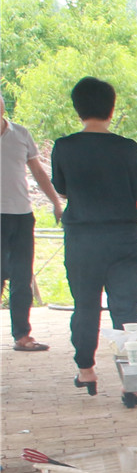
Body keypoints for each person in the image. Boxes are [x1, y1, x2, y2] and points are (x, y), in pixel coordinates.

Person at [49, 77, 137, 395]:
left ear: (77, 109)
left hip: (83, 239)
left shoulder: (63, 147)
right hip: (123, 236)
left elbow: (62, 188)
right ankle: (131, 380)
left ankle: (87, 371)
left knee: (85, 306)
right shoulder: (127, 147)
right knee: (126, 308)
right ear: (111, 108)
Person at [1, 91, 63, 352]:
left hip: (22, 216)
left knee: (21, 277)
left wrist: (56, 202)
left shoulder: (20, 134)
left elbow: (37, 171)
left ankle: (23, 336)